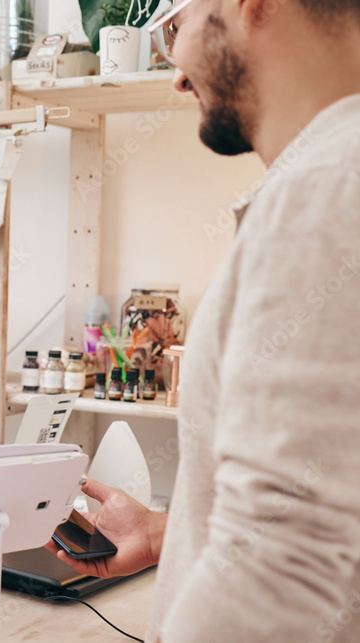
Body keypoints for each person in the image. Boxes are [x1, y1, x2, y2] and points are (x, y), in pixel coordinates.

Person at [46, 0, 360, 640]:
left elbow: (279, 572)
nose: (177, 75)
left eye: (174, 28)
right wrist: (170, 534)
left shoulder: (325, 193)